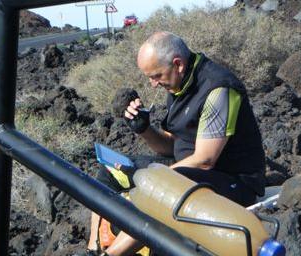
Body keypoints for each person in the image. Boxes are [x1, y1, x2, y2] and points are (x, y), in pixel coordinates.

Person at [89, 31, 266, 256]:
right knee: (110, 167)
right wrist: (144, 129)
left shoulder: (218, 88)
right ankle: (93, 248)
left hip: (234, 182)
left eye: (156, 76)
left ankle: (111, 255)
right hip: (185, 170)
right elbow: (172, 147)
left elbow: (204, 160)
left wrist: (152, 180)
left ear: (178, 64)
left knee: (157, 190)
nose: (153, 84)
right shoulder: (178, 83)